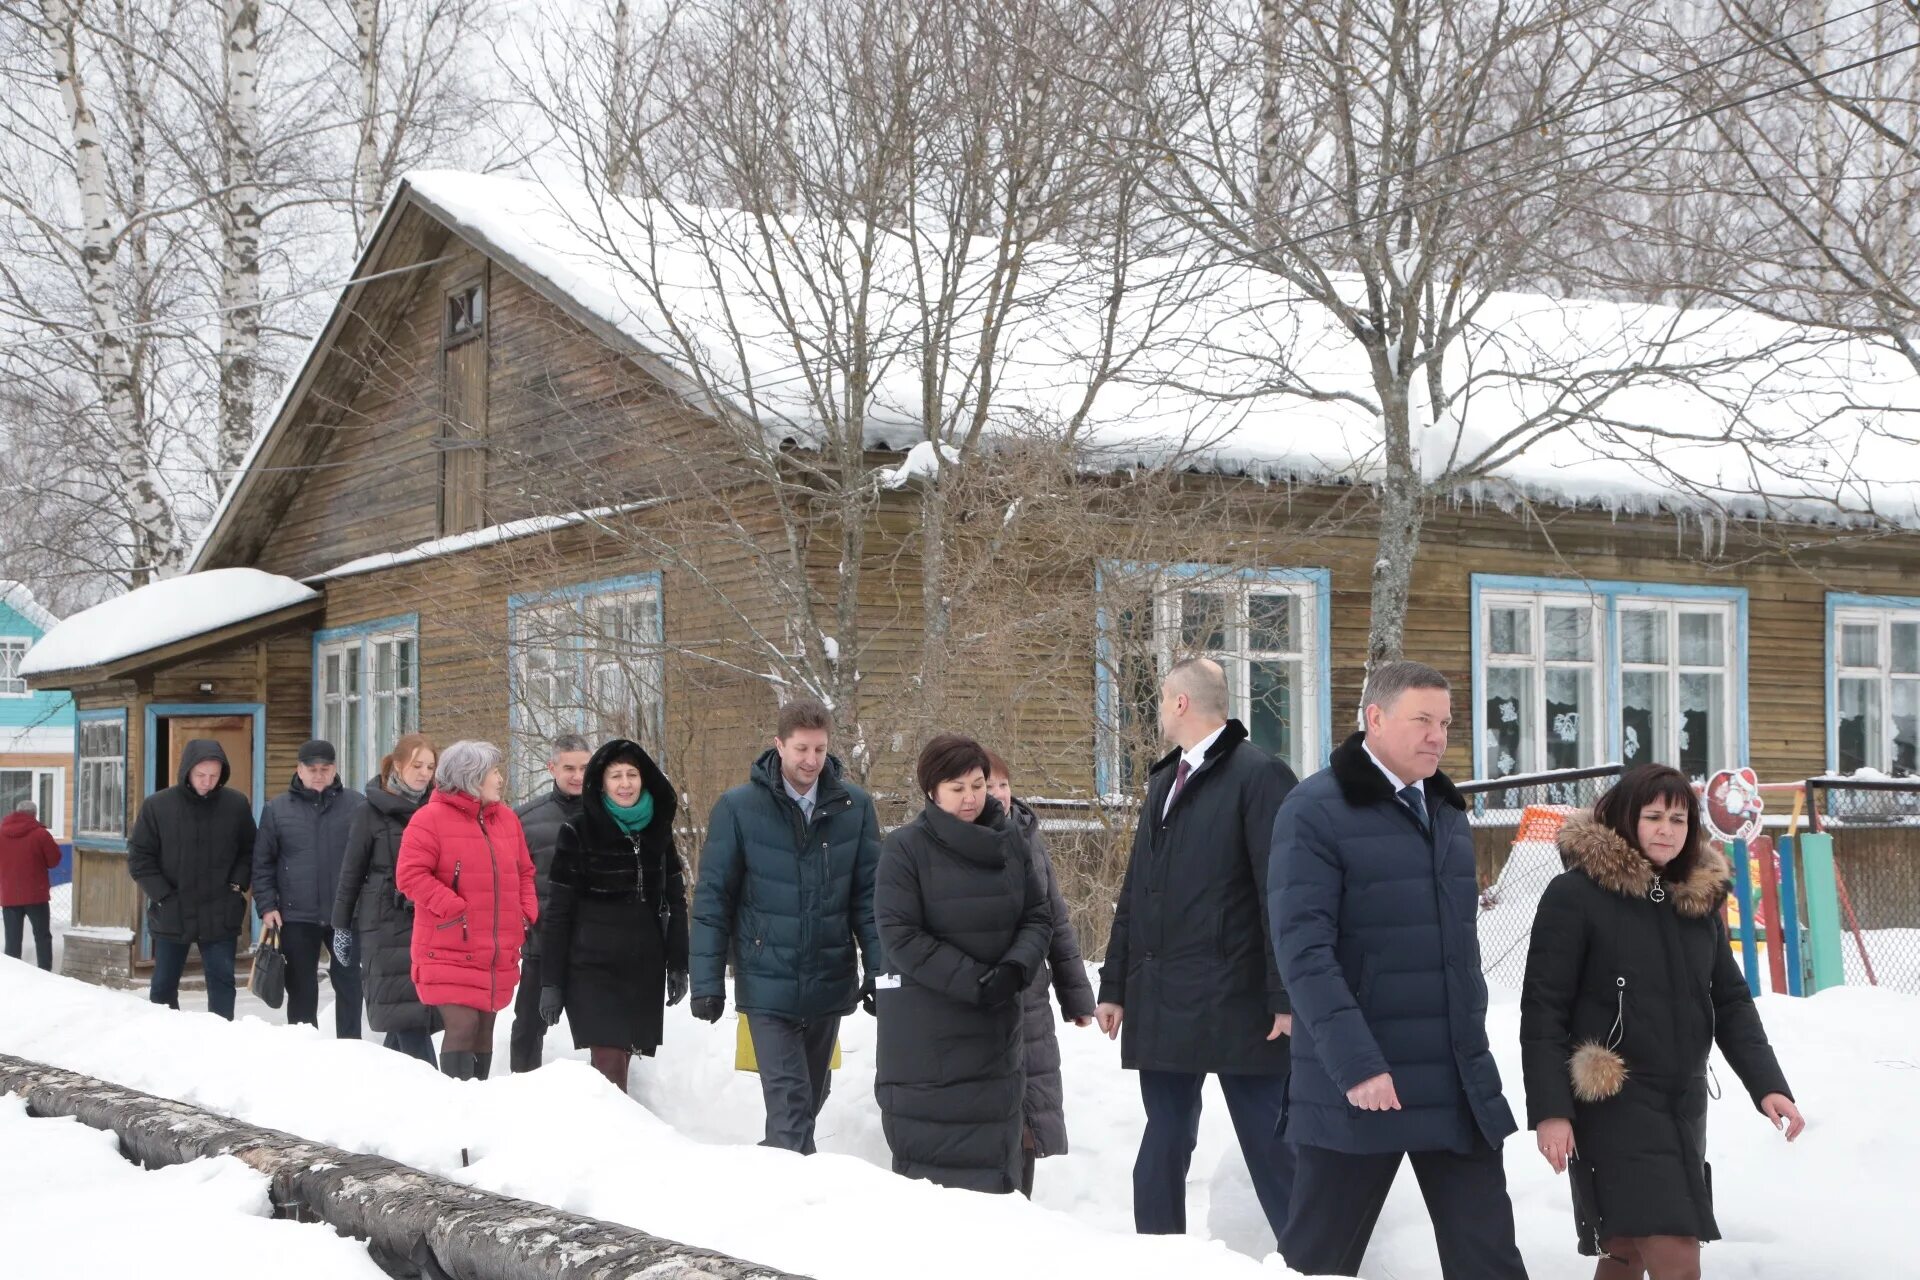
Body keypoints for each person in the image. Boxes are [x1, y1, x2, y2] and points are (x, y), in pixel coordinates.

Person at [1269, 660, 1527, 1279]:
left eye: (1445, 722)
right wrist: (1357, 1064)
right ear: (1375, 719)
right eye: (1422, 720)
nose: (1438, 736)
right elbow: (1303, 951)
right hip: (1361, 1083)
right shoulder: (1315, 810)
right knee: (1318, 1262)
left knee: (1488, 1256)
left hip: (1454, 1079)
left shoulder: (1445, 811)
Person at [1521, 765, 1804, 1280]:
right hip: (1611, 1103)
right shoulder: (1576, 896)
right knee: (1675, 1243)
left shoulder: (1695, 900)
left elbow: (1732, 1001)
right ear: (1625, 818)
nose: (1666, 830)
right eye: (1652, 816)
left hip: (1682, 1101)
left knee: (1626, 1248)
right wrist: (1550, 1112)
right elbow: (1543, 1011)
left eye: (1678, 819)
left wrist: (1769, 1086)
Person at [1095, 657, 1299, 1240]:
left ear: (1181, 702)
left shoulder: (1260, 775)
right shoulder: (1164, 781)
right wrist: (1115, 986)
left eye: (1162, 698)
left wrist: (1283, 993)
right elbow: (1137, 891)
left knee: (1273, 1146)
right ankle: (1159, 1260)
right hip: (1163, 999)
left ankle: (1316, 1264)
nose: (1159, 710)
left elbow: (1278, 892)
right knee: (1164, 1140)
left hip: (1241, 1003)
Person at [689, 698, 883, 1155]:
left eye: (819, 749)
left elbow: (869, 899)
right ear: (779, 745)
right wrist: (707, 981)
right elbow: (713, 898)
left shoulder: (854, 807)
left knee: (809, 1101)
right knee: (792, 1108)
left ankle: (769, 1178)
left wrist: (879, 967)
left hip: (828, 976)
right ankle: (793, 1210)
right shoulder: (739, 808)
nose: (811, 760)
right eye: (801, 749)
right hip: (766, 980)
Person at [873, 733, 1051, 1193]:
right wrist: (975, 982)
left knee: (998, 1172)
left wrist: (1015, 968)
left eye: (978, 784)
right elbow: (901, 935)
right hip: (930, 1043)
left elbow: (1037, 914)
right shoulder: (905, 849)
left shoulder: (1009, 842)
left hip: (997, 1038)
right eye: (958, 788)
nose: (972, 798)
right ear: (931, 791)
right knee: (938, 1185)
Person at [538, 738, 689, 1092]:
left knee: (621, 1058)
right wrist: (551, 982)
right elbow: (558, 911)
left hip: (642, 965)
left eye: (632, 774)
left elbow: (676, 899)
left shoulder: (657, 831)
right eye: (616, 776)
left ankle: (612, 1135)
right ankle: (612, 1142)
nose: (625, 784)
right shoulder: (578, 830)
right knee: (608, 1061)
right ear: (601, 783)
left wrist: (679, 963)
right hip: (591, 968)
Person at [986, 751, 1096, 1199]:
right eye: (986, 786)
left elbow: (1056, 918)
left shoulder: (1029, 835)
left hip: (1030, 998)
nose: (996, 795)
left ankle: (1022, 1212)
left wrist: (1077, 997)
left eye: (1002, 785)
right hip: (987, 993)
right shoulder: (957, 842)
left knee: (1030, 1115)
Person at [395, 740, 539, 1081]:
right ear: (470, 777)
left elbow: (525, 872)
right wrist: (454, 908)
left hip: (495, 948)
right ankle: (455, 1108)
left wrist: (525, 912)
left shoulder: (506, 819)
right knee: (463, 1024)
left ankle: (478, 1106)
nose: (500, 778)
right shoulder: (428, 819)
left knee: (484, 1027)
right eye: (493, 772)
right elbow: (410, 874)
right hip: (448, 945)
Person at [333, 733, 442, 1066]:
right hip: (383, 920)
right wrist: (342, 926)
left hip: (427, 918)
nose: (424, 773)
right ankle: (435, 1092)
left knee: (409, 1012)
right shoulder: (370, 812)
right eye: (417, 765)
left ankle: (382, 1083)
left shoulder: (437, 809)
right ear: (397, 765)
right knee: (407, 1012)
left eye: (430, 766)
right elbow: (351, 871)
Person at [126, 740, 256, 1019]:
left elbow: (250, 850)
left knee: (222, 983)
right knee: (162, 987)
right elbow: (139, 857)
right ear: (187, 771)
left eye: (214, 775)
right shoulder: (158, 806)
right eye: (201, 775)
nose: (207, 782)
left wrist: (236, 885)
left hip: (220, 910)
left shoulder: (235, 805)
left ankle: (219, 1041)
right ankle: (165, 1040)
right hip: (173, 910)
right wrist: (163, 895)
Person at [253, 739, 367, 1035]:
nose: (318, 774)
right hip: (296, 916)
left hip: (344, 915)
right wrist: (267, 906)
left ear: (334, 769)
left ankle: (351, 1049)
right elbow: (262, 863)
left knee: (350, 984)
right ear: (299, 770)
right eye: (312, 768)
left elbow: (370, 859)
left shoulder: (357, 806)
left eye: (325, 768)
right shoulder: (277, 810)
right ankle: (304, 1050)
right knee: (301, 988)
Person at [511, 734, 589, 1072]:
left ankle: (614, 1105)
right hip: (542, 945)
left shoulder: (611, 814)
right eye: (568, 768)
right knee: (528, 1027)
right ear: (551, 767)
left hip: (594, 946)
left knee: (604, 1030)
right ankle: (520, 1090)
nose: (577, 776)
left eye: (585, 768)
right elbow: (511, 882)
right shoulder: (525, 820)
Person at [0, 800, 62, 970]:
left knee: (12, 939)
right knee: (42, 936)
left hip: (10, 895)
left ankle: (12, 974)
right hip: (36, 894)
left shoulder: (1, 832)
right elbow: (54, 860)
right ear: (34, 814)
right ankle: (44, 971)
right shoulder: (40, 834)